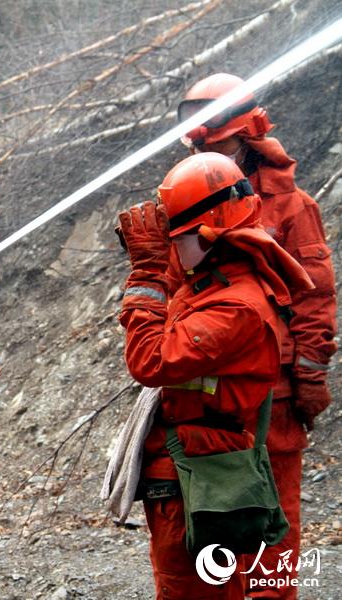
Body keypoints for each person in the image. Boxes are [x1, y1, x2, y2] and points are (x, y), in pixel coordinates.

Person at [118, 153, 313, 599]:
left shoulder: (235, 305)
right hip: (192, 465)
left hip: (201, 473)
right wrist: (150, 261)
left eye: (175, 238)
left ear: (209, 235)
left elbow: (149, 362)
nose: (168, 250)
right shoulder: (213, 281)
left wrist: (145, 273)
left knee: (191, 591)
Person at [179, 73, 337, 598]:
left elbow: (316, 298)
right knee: (217, 520)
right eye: (201, 145)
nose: (208, 153)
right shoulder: (189, 199)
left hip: (277, 390)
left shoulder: (293, 208)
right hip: (210, 392)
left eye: (218, 143)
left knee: (276, 525)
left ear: (246, 135)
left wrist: (311, 373)